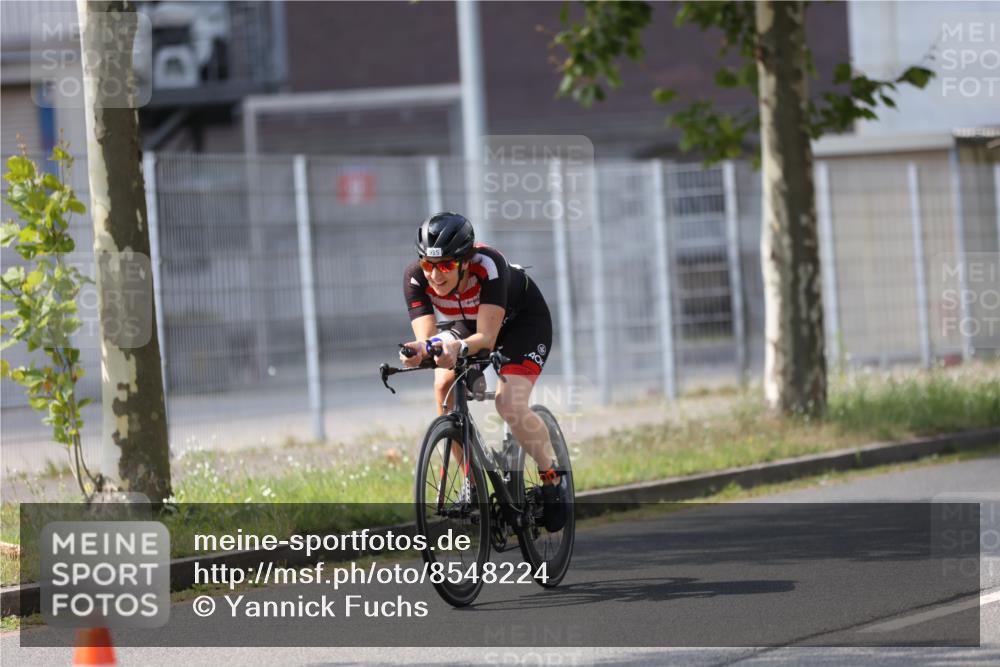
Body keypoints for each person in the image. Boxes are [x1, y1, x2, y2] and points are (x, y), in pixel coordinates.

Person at [399, 212, 565, 531]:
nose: (435, 275)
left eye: (445, 265)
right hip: (468, 324)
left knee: (509, 405)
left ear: (464, 261)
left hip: (520, 323)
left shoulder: (488, 265)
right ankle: (471, 482)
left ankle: (550, 479)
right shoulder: (415, 278)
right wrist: (419, 351)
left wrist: (458, 350)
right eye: (429, 264)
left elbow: (487, 339)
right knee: (442, 385)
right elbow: (429, 341)